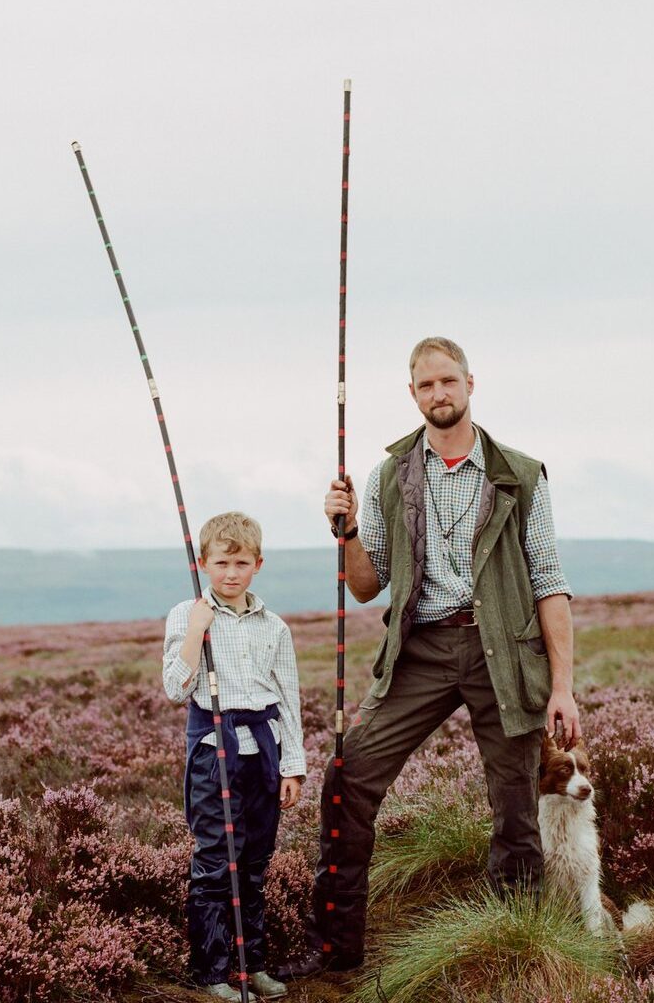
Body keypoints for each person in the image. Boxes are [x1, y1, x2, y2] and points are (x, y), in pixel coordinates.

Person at [278, 336, 580, 978]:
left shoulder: (521, 474)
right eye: (425, 386)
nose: (438, 394)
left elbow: (550, 580)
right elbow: (367, 583)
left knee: (517, 806)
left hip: (504, 652)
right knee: (349, 775)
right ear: (412, 394)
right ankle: (336, 950)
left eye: (448, 381)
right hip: (420, 648)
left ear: (471, 383)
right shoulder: (393, 475)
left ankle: (514, 950)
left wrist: (563, 687)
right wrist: (348, 529)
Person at [163, 511, 305, 1001]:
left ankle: (255, 965)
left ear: (257, 564)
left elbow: (288, 698)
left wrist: (293, 766)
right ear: (204, 563)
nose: (230, 572)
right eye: (221, 562)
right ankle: (213, 972)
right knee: (214, 863)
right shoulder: (187, 614)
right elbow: (172, 690)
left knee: (254, 863)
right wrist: (194, 634)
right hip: (212, 755)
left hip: (262, 756)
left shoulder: (275, 627)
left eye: (241, 562)